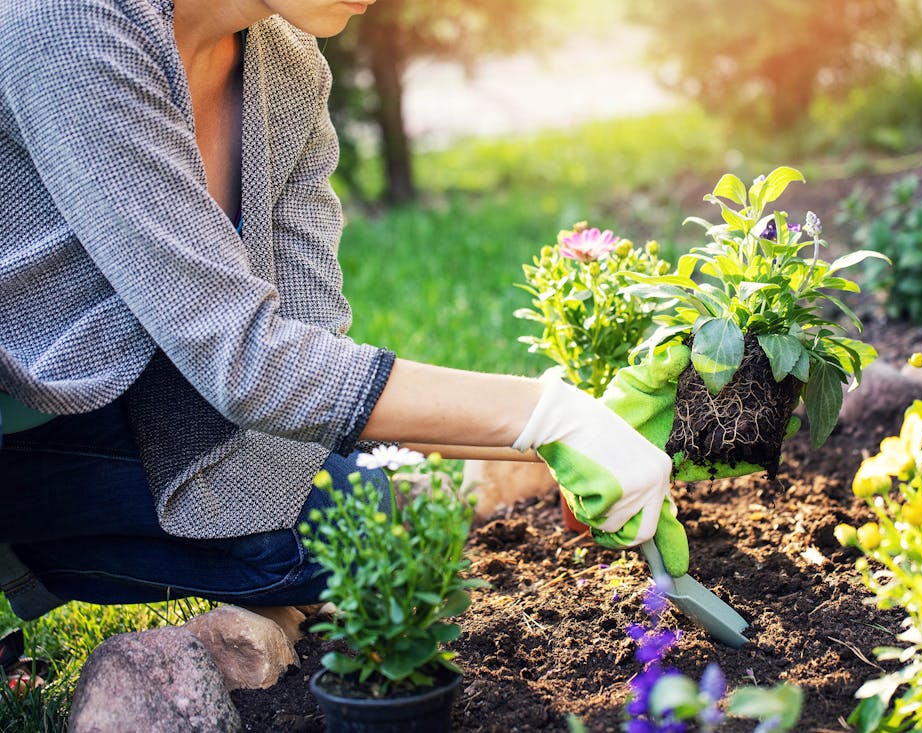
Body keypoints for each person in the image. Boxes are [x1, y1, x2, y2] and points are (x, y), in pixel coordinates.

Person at [0, 0, 687, 621]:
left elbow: (307, 350)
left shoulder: (288, 65)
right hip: (26, 414)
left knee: (367, 520)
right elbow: (246, 361)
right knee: (310, 542)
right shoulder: (65, 21)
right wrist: (545, 412)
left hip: (146, 399)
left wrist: (571, 432)